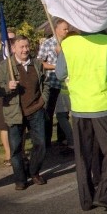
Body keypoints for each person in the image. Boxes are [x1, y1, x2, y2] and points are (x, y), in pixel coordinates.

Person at [56, 30, 107, 212]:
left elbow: (60, 74)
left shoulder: (68, 43)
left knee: (82, 155)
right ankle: (103, 194)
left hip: (79, 106)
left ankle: (86, 200)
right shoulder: (105, 42)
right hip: (102, 105)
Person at [0, 35, 49, 190]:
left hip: (36, 109)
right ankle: (20, 179)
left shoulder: (37, 64)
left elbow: (45, 83)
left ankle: (34, 172)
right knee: (16, 149)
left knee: (40, 144)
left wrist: (43, 100)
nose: (25, 50)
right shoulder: (5, 66)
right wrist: (8, 86)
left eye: (27, 46)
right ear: (13, 49)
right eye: (21, 47)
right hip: (15, 111)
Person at [37, 18, 70, 147]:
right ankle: (46, 141)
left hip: (65, 84)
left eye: (67, 29)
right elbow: (40, 63)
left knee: (64, 112)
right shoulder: (47, 43)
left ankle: (62, 138)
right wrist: (57, 66)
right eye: (64, 29)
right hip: (52, 82)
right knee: (48, 113)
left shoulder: (69, 43)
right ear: (56, 29)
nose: (67, 31)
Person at [0, 29, 15, 167]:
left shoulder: (19, 54)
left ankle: (20, 152)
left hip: (17, 93)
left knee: (19, 124)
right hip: (1, 94)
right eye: (8, 40)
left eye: (13, 39)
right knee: (4, 126)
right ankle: (8, 154)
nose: (10, 42)